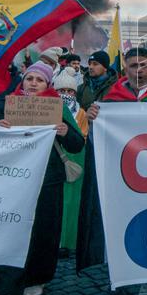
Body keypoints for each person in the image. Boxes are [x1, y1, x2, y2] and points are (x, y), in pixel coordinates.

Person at [78, 48, 147, 295]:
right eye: (132, 65)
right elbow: (97, 144)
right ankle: (119, 278)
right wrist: (94, 121)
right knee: (119, 232)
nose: (138, 70)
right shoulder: (110, 100)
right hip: (121, 182)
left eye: (144, 65)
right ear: (125, 69)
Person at [0, 62, 85, 295]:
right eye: (29, 78)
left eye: (39, 80)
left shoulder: (57, 106)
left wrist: (64, 131)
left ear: (47, 84)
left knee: (44, 231)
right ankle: (6, 291)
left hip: (47, 179)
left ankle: (36, 277)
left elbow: (76, 144)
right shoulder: (8, 102)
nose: (32, 83)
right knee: (7, 232)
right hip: (12, 178)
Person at [53, 67, 88, 256]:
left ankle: (69, 240)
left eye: (70, 91)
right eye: (62, 91)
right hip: (58, 158)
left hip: (76, 158)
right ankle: (56, 241)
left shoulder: (81, 112)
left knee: (73, 202)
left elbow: (84, 134)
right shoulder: (49, 110)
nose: (66, 94)